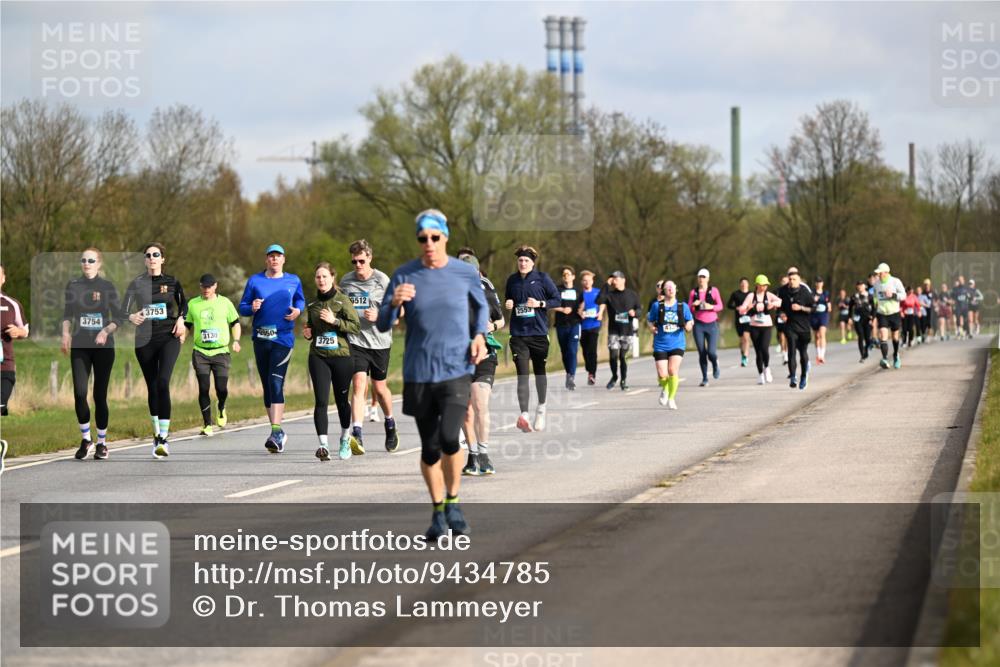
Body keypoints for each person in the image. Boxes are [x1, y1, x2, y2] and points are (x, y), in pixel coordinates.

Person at [376, 209, 488, 541]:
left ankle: (454, 502)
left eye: (434, 238)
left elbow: (481, 307)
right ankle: (438, 511)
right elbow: (383, 323)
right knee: (429, 448)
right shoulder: (403, 275)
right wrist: (393, 303)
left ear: (445, 238)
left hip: (456, 369)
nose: (428, 244)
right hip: (419, 372)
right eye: (422, 238)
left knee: (451, 438)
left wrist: (479, 334)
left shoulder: (464, 273)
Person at [238, 244, 306, 453]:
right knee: (267, 385)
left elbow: (301, 300)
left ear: (284, 259)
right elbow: (242, 307)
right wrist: (252, 307)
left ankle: (276, 432)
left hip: (283, 338)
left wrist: (298, 311)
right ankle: (277, 431)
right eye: (271, 257)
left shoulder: (293, 280)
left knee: (276, 382)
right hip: (261, 338)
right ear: (266, 260)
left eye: (278, 256)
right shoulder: (255, 281)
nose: (274, 260)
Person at [123, 243, 187, 458]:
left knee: (162, 382)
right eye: (148, 255)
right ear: (144, 260)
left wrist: (181, 320)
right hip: (144, 340)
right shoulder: (137, 283)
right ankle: (156, 434)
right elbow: (123, 310)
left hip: (168, 337)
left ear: (163, 259)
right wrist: (131, 317)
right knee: (152, 386)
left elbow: (184, 306)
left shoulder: (172, 282)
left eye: (156, 255)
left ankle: (164, 439)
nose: (152, 258)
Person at [340, 239, 399, 454]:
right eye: (354, 261)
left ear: (370, 258)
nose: (358, 266)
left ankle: (390, 423)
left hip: (380, 342)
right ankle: (357, 433)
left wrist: (380, 315)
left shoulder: (383, 281)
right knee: (358, 384)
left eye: (361, 261)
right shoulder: (346, 282)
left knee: (380, 388)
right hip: (356, 341)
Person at [62, 248, 121, 460]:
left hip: (104, 347)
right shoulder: (73, 285)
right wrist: (65, 335)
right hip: (80, 346)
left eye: (91, 260)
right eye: (84, 260)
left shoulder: (107, 287)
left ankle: (102, 443)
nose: (87, 263)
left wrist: (105, 331)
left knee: (99, 395)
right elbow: (67, 314)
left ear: (99, 264)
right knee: (79, 393)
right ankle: (86, 439)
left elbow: (119, 317)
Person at [303, 262, 361, 461]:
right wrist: (308, 332)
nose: (321, 280)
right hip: (318, 356)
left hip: (342, 357)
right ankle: (323, 445)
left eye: (325, 277)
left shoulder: (342, 301)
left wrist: (334, 320)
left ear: (332, 278)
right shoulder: (312, 305)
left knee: (342, 402)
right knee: (320, 401)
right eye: (318, 277)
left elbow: (355, 326)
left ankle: (345, 438)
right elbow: (311, 327)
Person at [457, 250, 504, 476]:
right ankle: (472, 455)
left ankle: (484, 454)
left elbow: (501, 320)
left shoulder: (486, 293)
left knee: (480, 404)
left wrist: (491, 327)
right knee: (465, 412)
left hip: (484, 356)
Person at [503, 245, 560, 432]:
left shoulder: (543, 279)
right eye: (520, 260)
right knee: (522, 374)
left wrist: (539, 304)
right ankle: (524, 414)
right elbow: (508, 300)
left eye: (526, 260)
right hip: (518, 334)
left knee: (539, 372)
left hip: (538, 333)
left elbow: (557, 299)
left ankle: (541, 408)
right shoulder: (511, 280)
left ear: (533, 263)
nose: (523, 263)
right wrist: (508, 304)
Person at [185, 274, 241, 437]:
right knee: (203, 387)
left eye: (209, 287)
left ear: (215, 286)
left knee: (221, 388)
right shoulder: (193, 304)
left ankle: (221, 407)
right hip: (200, 352)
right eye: (203, 286)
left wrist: (236, 340)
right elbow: (188, 324)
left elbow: (235, 323)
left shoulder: (225, 303)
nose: (206, 290)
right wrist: (182, 337)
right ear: (200, 286)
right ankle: (207, 424)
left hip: (221, 352)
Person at [647, 280, 693, 409]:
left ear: (676, 289)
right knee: (662, 375)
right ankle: (665, 388)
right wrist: (651, 328)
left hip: (677, 343)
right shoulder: (657, 306)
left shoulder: (682, 306)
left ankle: (672, 398)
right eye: (667, 288)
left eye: (672, 287)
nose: (670, 289)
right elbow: (650, 321)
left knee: (672, 370)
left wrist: (689, 326)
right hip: (660, 343)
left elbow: (690, 320)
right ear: (663, 291)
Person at [599, 270, 642, 391]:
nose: (614, 281)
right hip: (613, 331)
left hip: (627, 331)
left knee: (623, 357)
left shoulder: (632, 295)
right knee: (613, 356)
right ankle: (614, 376)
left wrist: (635, 313)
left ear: (623, 280)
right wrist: (606, 285)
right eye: (613, 279)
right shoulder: (609, 295)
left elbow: (639, 309)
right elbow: (599, 300)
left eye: (616, 279)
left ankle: (623, 380)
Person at [738, 274, 782, 385]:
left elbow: (780, 301)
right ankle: (760, 375)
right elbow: (741, 309)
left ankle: (767, 368)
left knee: (764, 348)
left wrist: (772, 304)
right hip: (754, 326)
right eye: (763, 285)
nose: (765, 287)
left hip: (766, 326)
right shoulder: (751, 296)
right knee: (758, 352)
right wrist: (748, 307)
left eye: (766, 285)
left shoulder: (768, 295)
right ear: (757, 285)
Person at [0, 264, 30, 417]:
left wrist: (19, 331)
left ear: (3, 279)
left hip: (5, 367)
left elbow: (26, 329)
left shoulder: (12, 304)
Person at [778, 269, 814, 390]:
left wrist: (801, 308)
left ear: (799, 280)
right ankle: (793, 377)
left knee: (803, 353)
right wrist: (782, 314)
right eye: (790, 279)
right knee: (791, 350)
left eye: (794, 279)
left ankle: (804, 375)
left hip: (804, 327)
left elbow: (812, 309)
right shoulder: (783, 291)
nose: (792, 282)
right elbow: (780, 307)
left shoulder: (805, 292)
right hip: (790, 326)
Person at [687, 268, 723, 387]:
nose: (701, 279)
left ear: (708, 278)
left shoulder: (714, 291)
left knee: (711, 352)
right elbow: (689, 309)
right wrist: (693, 305)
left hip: (712, 324)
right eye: (700, 277)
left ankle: (715, 364)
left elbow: (720, 306)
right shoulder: (694, 292)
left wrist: (710, 306)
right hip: (699, 325)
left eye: (703, 277)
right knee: (702, 352)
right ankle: (705, 378)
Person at [872, 262, 907, 369]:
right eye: (877, 273)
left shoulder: (895, 282)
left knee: (895, 337)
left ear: (886, 273)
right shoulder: (876, 284)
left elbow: (904, 296)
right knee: (883, 335)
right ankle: (885, 359)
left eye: (880, 273)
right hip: (882, 313)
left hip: (894, 313)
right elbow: (875, 296)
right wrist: (875, 306)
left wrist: (893, 295)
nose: (878, 275)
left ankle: (896, 355)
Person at [554, 266, 583, 391]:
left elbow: (582, 304)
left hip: (574, 323)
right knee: (565, 352)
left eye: (568, 274)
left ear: (573, 276)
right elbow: (550, 304)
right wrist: (561, 309)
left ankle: (571, 377)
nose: (566, 276)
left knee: (572, 350)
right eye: (564, 274)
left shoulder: (578, 291)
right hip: (561, 324)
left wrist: (581, 311)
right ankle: (568, 374)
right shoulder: (557, 289)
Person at [577, 270, 604, 385]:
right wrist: (580, 312)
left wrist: (601, 312)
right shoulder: (580, 294)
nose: (587, 282)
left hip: (594, 324)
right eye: (584, 280)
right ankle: (589, 368)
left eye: (589, 280)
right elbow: (577, 308)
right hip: (583, 326)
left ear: (592, 281)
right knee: (585, 350)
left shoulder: (598, 292)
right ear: (582, 282)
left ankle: (592, 374)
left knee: (592, 349)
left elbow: (603, 303)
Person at [728, 277, 751, 368]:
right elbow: (729, 305)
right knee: (741, 340)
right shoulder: (735, 294)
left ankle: (745, 356)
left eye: (745, 283)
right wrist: (736, 308)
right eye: (742, 283)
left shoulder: (751, 294)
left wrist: (750, 307)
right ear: (740, 284)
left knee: (746, 338)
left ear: (748, 284)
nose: (744, 284)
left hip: (749, 319)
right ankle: (743, 354)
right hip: (739, 319)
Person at [849, 281, 874, 362]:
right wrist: (850, 317)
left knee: (867, 338)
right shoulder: (854, 296)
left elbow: (874, 308)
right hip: (857, 319)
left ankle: (866, 350)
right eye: (858, 285)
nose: (859, 287)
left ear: (864, 286)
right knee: (860, 335)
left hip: (867, 319)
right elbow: (850, 307)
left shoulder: (870, 296)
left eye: (861, 285)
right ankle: (862, 355)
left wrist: (872, 317)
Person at [810, 277, 831, 364]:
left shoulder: (826, 293)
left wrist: (828, 308)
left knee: (822, 334)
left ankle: (822, 356)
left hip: (823, 315)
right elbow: (809, 303)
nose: (819, 284)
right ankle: (818, 354)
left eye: (820, 282)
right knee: (817, 336)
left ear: (822, 283)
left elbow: (829, 305)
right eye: (817, 282)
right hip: (814, 315)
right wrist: (813, 301)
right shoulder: (812, 293)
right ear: (816, 284)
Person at [775, 275, 790, 365]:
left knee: (788, 336)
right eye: (783, 281)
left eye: (786, 281)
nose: (784, 283)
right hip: (779, 316)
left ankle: (787, 354)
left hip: (788, 316)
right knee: (781, 336)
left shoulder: (790, 291)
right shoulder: (777, 291)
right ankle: (785, 356)